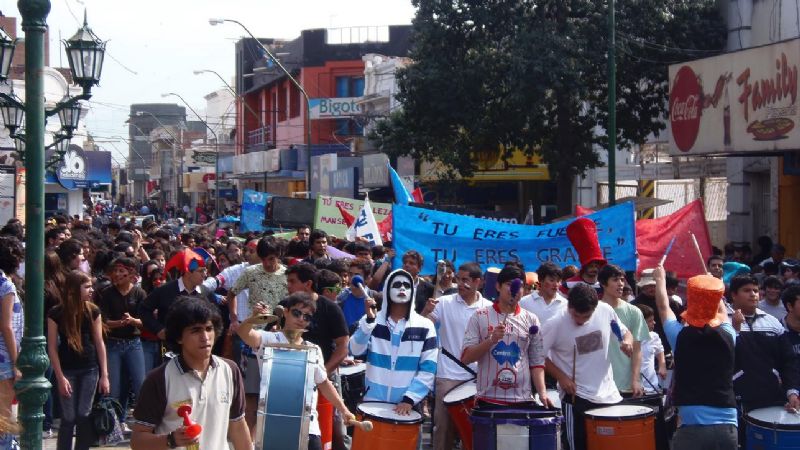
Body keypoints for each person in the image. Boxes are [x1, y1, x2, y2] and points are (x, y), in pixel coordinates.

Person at [236, 293, 356, 450]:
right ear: (285, 312)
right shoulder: (269, 340)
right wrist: (253, 318)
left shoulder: (313, 349)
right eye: (297, 313)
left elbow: (324, 383)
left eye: (307, 317)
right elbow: (244, 333)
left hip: (308, 427)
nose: (301, 319)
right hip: (273, 425)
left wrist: (344, 410)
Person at [130, 297, 252, 450]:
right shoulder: (159, 378)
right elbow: (137, 440)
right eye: (195, 330)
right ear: (178, 337)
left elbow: (238, 426)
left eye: (209, 328)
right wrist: (171, 440)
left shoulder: (230, 370)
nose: (205, 337)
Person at [652, 265, 738, 450]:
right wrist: (714, 287)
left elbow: (662, 306)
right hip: (727, 426)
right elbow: (722, 314)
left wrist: (660, 279)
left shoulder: (679, 336)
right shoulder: (729, 335)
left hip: (691, 426)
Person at [542, 283, 632, 450]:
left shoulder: (605, 310)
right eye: (576, 315)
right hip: (577, 396)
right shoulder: (555, 323)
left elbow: (625, 332)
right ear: (569, 306)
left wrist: (626, 342)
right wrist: (561, 377)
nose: (580, 321)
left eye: (586, 316)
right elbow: (537, 355)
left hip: (608, 394)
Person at [349, 268, 437, 427]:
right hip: (372, 403)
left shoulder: (425, 325)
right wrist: (369, 322)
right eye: (397, 284)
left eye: (407, 285)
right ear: (387, 289)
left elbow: (429, 368)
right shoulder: (372, 320)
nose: (402, 288)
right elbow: (355, 350)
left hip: (407, 406)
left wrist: (409, 399)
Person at [422, 262, 492, 450]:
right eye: (458, 279)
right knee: (443, 429)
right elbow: (423, 327)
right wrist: (425, 312)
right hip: (448, 377)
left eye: (465, 280)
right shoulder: (444, 303)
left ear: (478, 282)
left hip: (478, 379)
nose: (459, 284)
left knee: (475, 431)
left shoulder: (490, 308)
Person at [462, 264, 551, 408]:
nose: (514, 290)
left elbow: (537, 362)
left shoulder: (531, 319)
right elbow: (466, 358)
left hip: (522, 400)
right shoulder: (480, 316)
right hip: (488, 399)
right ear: (498, 286)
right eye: (509, 284)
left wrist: (542, 393)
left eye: (520, 286)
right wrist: (491, 340)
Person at [727, 274, 799, 439]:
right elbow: (721, 358)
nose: (753, 294)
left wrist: (792, 392)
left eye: (756, 290)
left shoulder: (773, 323)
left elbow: (788, 361)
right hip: (736, 401)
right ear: (734, 295)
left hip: (771, 398)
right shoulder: (722, 321)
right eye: (747, 290)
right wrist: (735, 330)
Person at [47, 270, 110, 450]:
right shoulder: (56, 313)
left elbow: (99, 343)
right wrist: (59, 377)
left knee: (84, 414)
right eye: (87, 286)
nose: (91, 290)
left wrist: (104, 375)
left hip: (90, 369)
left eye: (91, 286)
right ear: (74, 289)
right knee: (68, 417)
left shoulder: (93, 311)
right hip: (66, 370)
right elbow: (52, 347)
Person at [95, 256, 147, 428]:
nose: (117, 274)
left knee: (140, 384)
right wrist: (118, 323)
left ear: (131, 274)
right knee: (114, 387)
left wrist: (133, 321)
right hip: (113, 344)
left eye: (121, 271)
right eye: (115, 271)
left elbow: (145, 321)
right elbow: (103, 321)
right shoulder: (107, 293)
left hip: (134, 343)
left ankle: (143, 422)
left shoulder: (139, 293)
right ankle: (114, 425)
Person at [138, 248, 217, 342]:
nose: (204, 275)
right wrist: (158, 329)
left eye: (205, 271)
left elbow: (215, 319)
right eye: (200, 271)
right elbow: (143, 309)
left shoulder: (206, 293)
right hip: (169, 347)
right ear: (188, 273)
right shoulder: (165, 290)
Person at [598, 264, 648, 397]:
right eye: (615, 280)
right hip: (600, 385)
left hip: (627, 385)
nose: (620, 284)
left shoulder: (634, 312)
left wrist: (635, 380)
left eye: (622, 280)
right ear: (603, 283)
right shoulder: (594, 310)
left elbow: (637, 350)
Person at [0, 237, 22, 448]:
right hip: (4, 359)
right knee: (4, 420)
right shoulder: (5, 285)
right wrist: (16, 363)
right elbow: (6, 326)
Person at [561, 217, 607, 295]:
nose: (594, 269)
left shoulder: (605, 286)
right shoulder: (568, 285)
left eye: (597, 266)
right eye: (591, 266)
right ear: (585, 265)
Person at [635, 304, 667, 393]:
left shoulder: (654, 336)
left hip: (651, 386)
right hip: (634, 388)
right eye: (650, 321)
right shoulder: (628, 339)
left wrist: (662, 365)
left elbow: (660, 350)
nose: (654, 323)